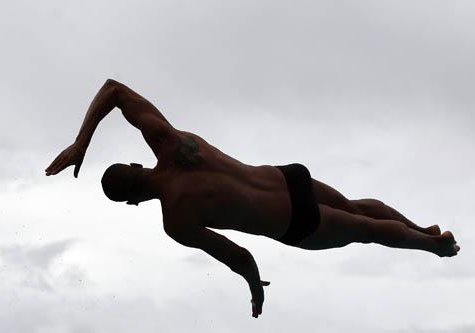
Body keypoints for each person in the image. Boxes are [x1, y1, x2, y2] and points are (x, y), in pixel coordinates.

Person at [45, 79, 460, 318]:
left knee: (367, 231)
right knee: (357, 206)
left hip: (290, 222)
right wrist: (81, 142)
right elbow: (114, 90)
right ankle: (421, 229)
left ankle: (431, 245)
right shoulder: (174, 144)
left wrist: (254, 289)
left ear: (134, 204)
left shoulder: (177, 220)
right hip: (286, 177)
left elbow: (238, 255)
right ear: (136, 168)